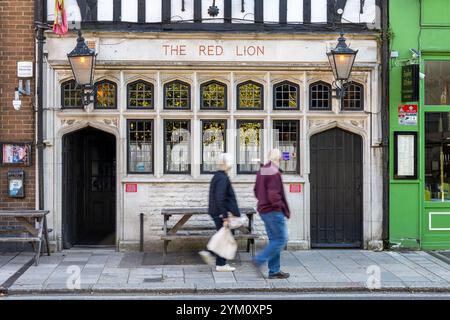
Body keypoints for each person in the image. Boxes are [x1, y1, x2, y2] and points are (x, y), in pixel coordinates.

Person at [253, 149, 291, 279]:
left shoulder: (262, 170)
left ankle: (274, 270)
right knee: (281, 239)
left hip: (264, 210)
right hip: (273, 211)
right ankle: (259, 259)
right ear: (279, 159)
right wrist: (279, 207)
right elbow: (273, 194)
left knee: (274, 240)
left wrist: (263, 202)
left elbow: (256, 190)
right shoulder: (273, 172)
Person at [199, 153, 241, 272]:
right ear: (226, 163)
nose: (231, 165)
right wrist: (224, 216)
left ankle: (218, 261)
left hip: (217, 212)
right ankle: (213, 256)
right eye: (230, 162)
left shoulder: (218, 176)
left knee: (223, 235)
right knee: (224, 237)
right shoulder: (222, 178)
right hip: (220, 213)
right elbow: (220, 197)